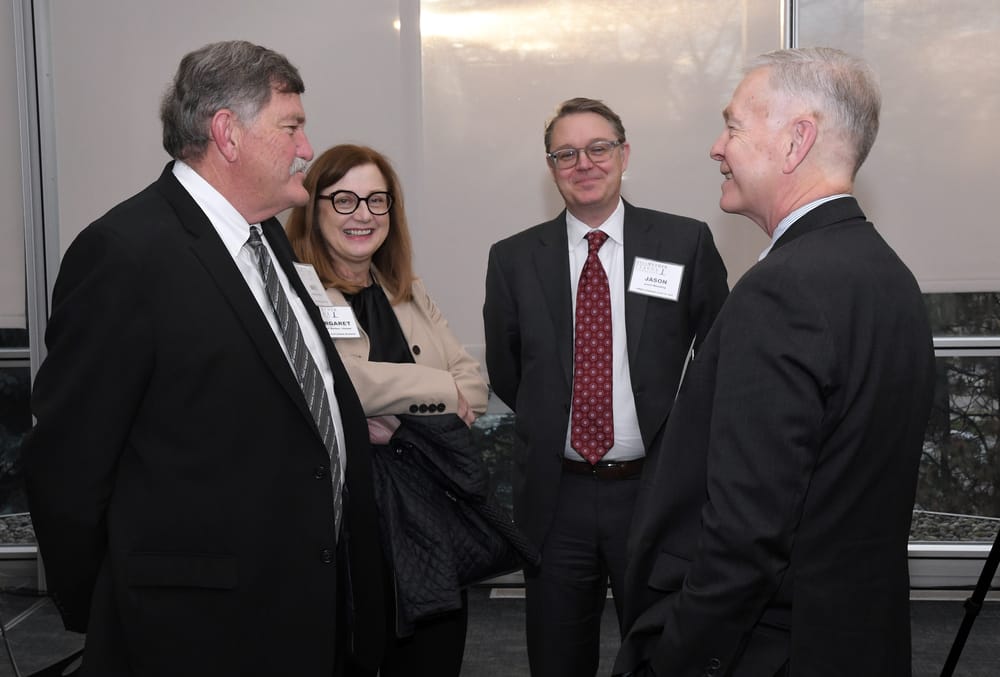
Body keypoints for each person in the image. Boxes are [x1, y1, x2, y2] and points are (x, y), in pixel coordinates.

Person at [22, 41, 384, 677]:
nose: (307, 148)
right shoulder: (125, 255)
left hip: (302, 608)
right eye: (292, 127)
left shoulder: (266, 235)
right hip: (191, 632)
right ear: (227, 133)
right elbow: (69, 463)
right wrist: (111, 605)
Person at [614, 47, 936, 677]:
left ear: (796, 142)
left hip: (769, 650)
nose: (716, 148)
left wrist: (675, 658)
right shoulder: (889, 274)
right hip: (855, 640)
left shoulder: (782, 291)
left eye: (733, 127)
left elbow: (744, 535)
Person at [483, 97, 729, 677]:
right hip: (557, 498)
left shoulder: (683, 243)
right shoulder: (514, 258)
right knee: (556, 657)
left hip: (655, 490)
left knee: (661, 652)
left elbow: (722, 357)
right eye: (566, 153)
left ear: (624, 154)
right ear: (551, 167)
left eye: (598, 148)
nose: (584, 163)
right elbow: (509, 371)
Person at [285, 144, 489, 676]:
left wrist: (399, 421)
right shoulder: (293, 293)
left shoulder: (408, 292)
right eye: (344, 199)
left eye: (377, 200)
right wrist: (438, 391)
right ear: (313, 207)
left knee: (432, 660)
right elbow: (342, 381)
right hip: (344, 525)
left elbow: (474, 383)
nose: (364, 214)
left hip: (427, 519)